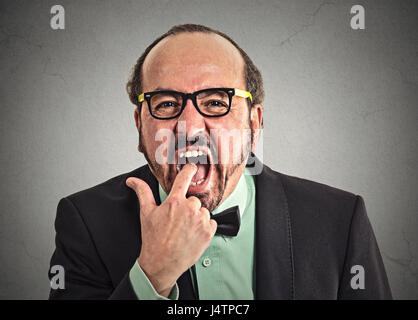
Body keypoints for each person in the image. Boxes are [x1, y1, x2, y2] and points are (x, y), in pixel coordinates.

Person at [48, 24, 392, 299]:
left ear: (254, 122)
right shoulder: (86, 222)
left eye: (215, 101)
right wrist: (152, 275)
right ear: (140, 126)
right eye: (167, 104)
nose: (191, 128)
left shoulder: (340, 220)